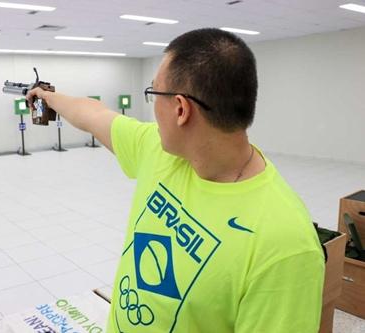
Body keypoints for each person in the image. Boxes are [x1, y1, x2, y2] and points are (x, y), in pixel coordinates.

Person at [26, 28, 325, 333]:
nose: (152, 107)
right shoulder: (157, 150)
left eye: (154, 93)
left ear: (181, 109)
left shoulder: (286, 245)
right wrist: (47, 96)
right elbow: (93, 114)